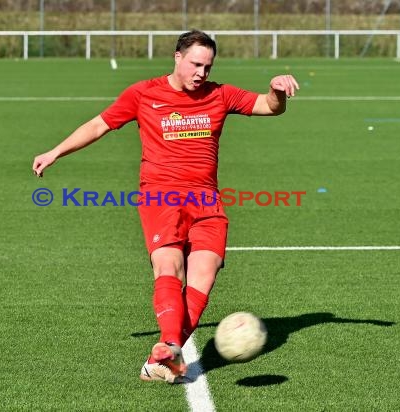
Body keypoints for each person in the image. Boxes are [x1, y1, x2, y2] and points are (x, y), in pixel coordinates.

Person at [32, 30, 299, 384]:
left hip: (206, 198)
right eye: (195, 64)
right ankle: (171, 343)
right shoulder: (144, 93)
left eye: (207, 66)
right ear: (177, 57)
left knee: (206, 270)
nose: (201, 73)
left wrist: (277, 91)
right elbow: (100, 124)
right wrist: (55, 152)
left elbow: (268, 106)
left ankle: (165, 352)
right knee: (169, 266)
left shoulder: (219, 94)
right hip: (161, 197)